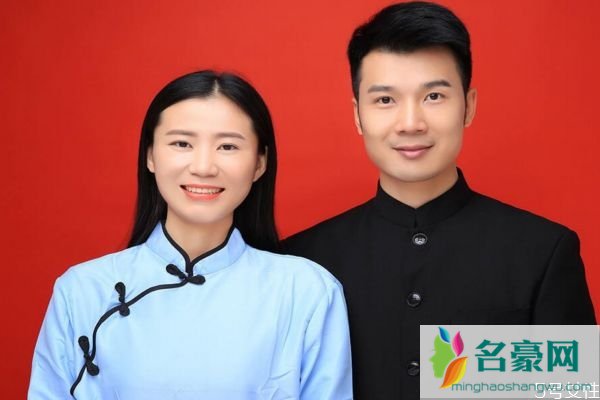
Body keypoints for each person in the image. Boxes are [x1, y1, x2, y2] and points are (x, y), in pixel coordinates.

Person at [282, 2, 596, 399]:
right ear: (358, 115)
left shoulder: (542, 252)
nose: (411, 123)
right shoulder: (303, 263)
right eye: (385, 100)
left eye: (434, 96)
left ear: (469, 106)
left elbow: (568, 391)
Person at [29, 70, 352, 400]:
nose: (203, 167)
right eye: (182, 143)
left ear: (259, 163)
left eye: (228, 146)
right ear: (150, 155)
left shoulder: (307, 291)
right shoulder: (81, 290)